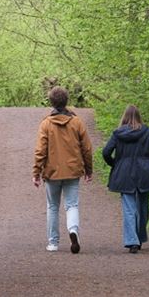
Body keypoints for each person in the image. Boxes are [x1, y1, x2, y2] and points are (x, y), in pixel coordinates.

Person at [32, 86, 93, 253]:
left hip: (52, 172)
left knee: (53, 206)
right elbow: (87, 148)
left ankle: (53, 242)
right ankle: (73, 230)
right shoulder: (77, 122)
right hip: (73, 171)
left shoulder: (46, 124)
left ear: (51, 102)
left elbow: (40, 151)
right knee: (72, 205)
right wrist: (89, 170)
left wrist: (36, 173)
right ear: (67, 101)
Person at [101, 105, 149, 253]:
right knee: (143, 207)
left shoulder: (118, 134)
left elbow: (106, 152)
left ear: (124, 117)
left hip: (124, 174)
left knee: (129, 208)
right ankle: (139, 237)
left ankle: (132, 241)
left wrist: (115, 164)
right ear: (139, 117)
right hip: (146, 173)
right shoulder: (147, 132)